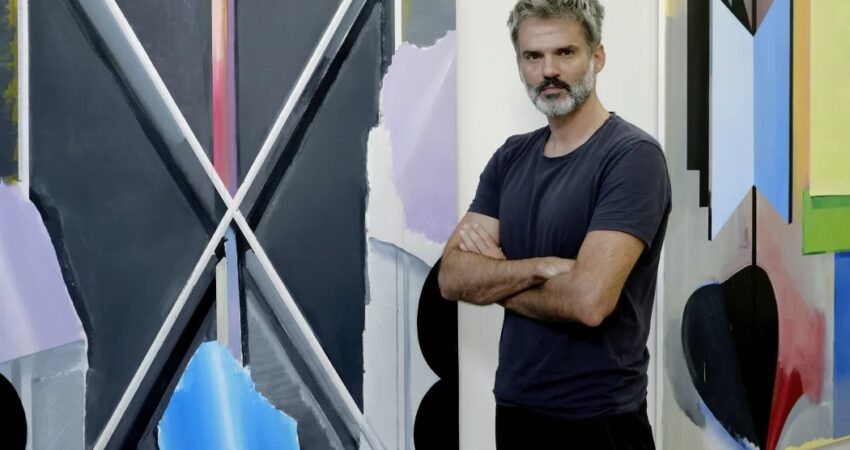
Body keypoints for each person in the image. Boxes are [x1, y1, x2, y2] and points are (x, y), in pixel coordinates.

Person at [437, 0, 671, 448]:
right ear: (519, 64)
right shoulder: (511, 157)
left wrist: (494, 276)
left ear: (597, 57)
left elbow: (589, 302)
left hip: (600, 421)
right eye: (533, 56)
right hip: (516, 412)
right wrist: (540, 267)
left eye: (565, 52)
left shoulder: (631, 158)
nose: (549, 71)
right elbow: (451, 278)